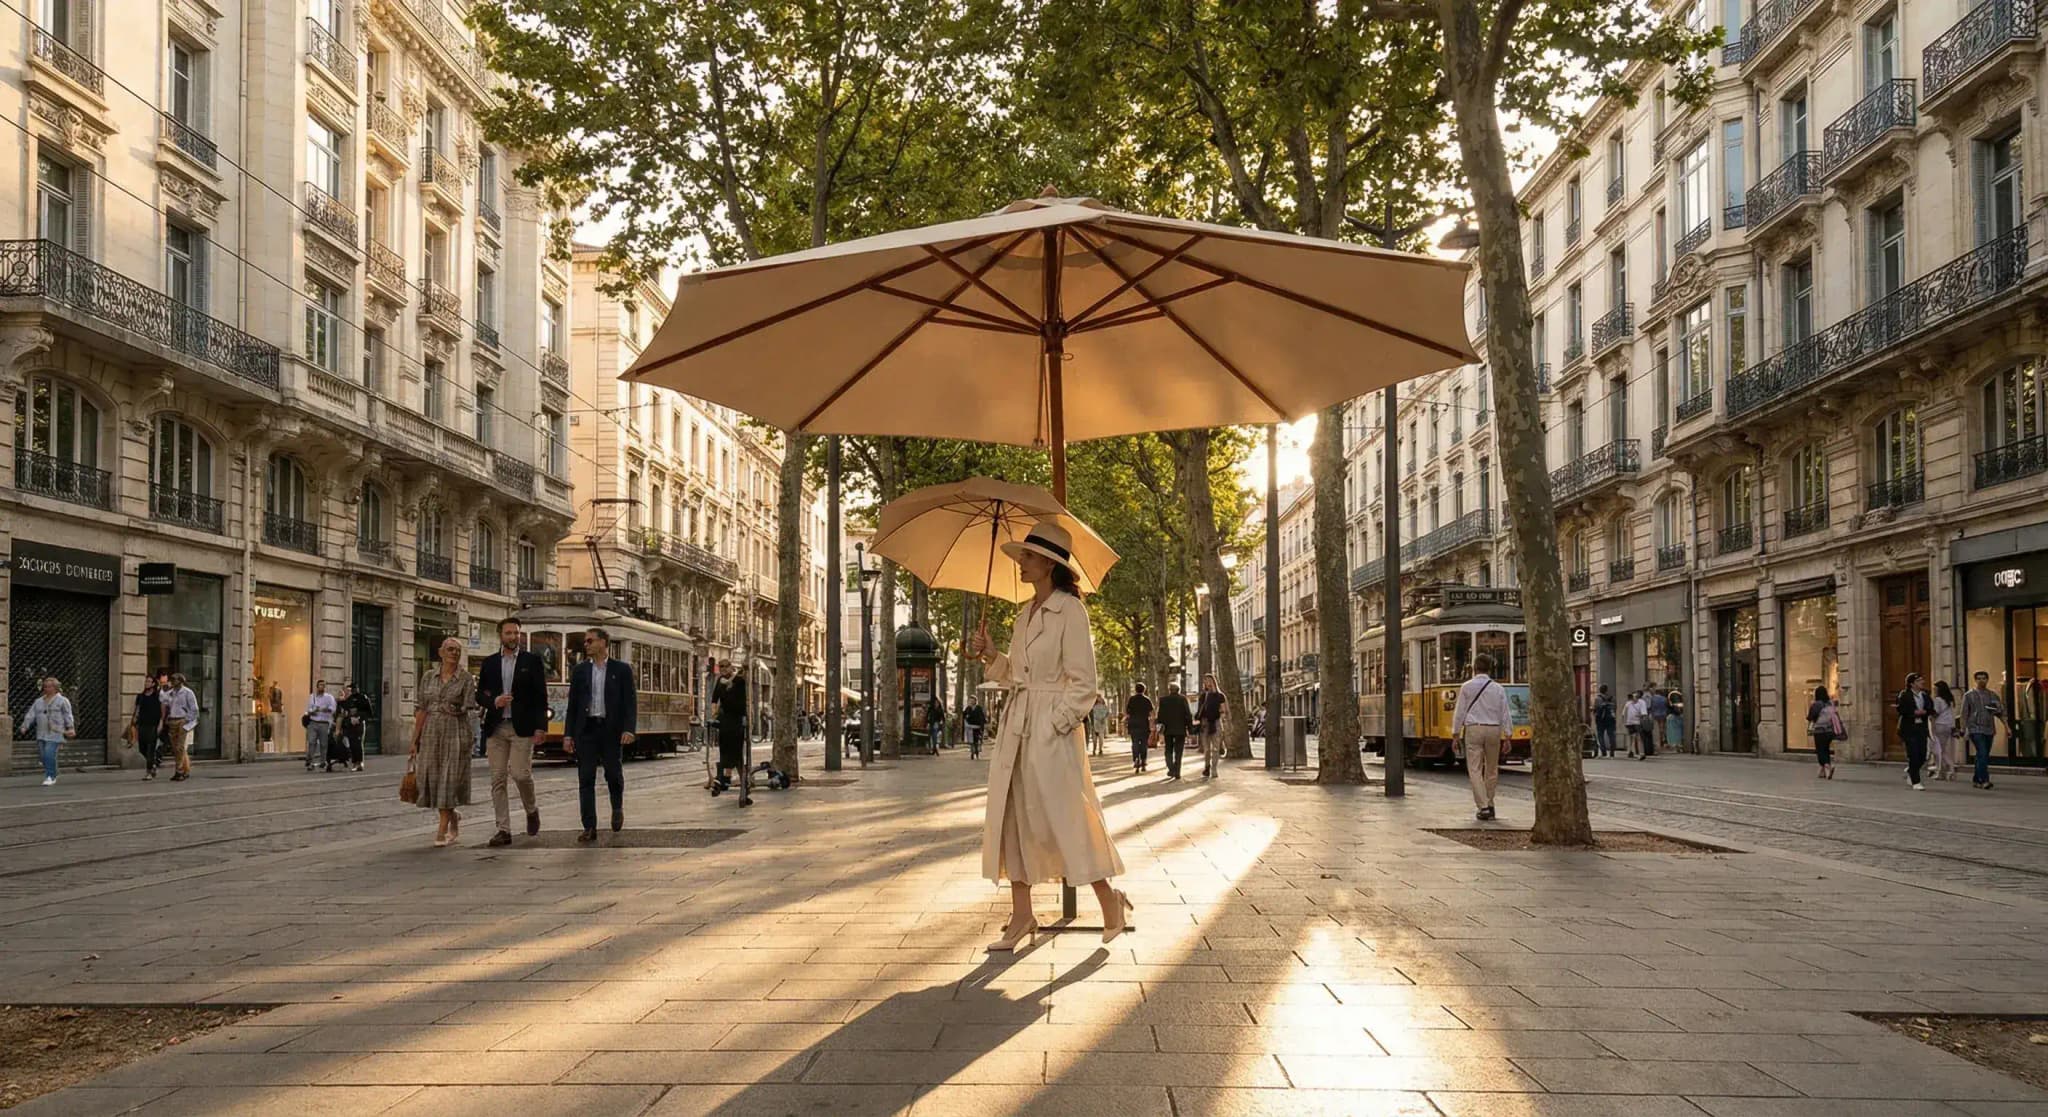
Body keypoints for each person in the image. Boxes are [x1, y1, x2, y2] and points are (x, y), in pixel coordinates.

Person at [965, 520, 1131, 949]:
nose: (1022, 563)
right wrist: (992, 655)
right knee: (1013, 820)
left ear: (1051, 563)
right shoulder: (1025, 614)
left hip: (1049, 732)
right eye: (1022, 556)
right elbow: (1017, 676)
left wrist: (1055, 725)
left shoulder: (1070, 611)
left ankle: (1109, 900)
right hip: (1017, 726)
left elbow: (1085, 684)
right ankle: (1022, 916)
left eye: (1029, 556)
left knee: (1067, 817)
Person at [476, 618, 548, 847]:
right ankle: (503, 829)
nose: (513, 637)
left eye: (516, 633)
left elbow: (540, 696)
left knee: (520, 774)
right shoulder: (489, 663)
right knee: (497, 779)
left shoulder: (532, 661)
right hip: (496, 727)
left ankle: (531, 810)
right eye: (509, 633)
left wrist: (540, 727)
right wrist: (493, 701)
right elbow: (480, 695)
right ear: (501, 635)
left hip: (522, 728)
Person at [565, 627, 638, 840]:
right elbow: (573, 705)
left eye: (590, 641)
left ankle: (617, 808)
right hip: (586, 729)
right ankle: (589, 826)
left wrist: (628, 729)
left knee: (613, 774)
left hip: (610, 730)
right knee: (585, 777)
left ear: (603, 643)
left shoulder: (621, 670)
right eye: (585, 642)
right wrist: (568, 734)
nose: (586, 644)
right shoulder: (580, 671)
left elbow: (629, 703)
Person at [412, 636, 474, 847]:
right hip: (431, 733)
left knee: (449, 779)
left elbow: (469, 708)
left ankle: (441, 829)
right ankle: (453, 816)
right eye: (450, 649)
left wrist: (457, 710)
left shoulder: (465, 679)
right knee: (435, 778)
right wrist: (414, 741)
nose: (453, 653)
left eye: (457, 650)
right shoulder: (428, 677)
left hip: (455, 731)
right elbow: (421, 708)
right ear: (440, 652)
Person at [1451, 653, 1509, 821]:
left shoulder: (1466, 687)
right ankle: (1490, 803)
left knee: (1475, 768)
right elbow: (1504, 712)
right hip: (1493, 729)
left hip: (1474, 729)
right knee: (1492, 769)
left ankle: (1483, 806)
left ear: (1474, 668)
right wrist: (1508, 736)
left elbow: (1460, 711)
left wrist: (1455, 734)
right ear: (1490, 669)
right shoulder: (1498, 688)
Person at [21, 677, 76, 786]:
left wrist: (70, 727)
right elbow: (31, 714)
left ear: (56, 688)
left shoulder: (62, 701)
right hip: (41, 732)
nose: (47, 688)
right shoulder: (39, 701)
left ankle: (50, 776)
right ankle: (54, 772)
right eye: (45, 686)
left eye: (49, 686)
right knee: (43, 755)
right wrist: (25, 726)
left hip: (55, 732)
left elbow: (67, 715)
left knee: (49, 754)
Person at [1963, 671, 2006, 790]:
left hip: (1989, 728)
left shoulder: (1992, 695)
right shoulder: (1969, 695)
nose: (1981, 681)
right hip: (1975, 728)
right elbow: (1964, 714)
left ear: (1987, 680)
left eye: (1984, 678)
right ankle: (1984, 780)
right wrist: (1964, 729)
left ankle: (1976, 779)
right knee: (1982, 753)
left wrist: (2007, 727)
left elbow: (2000, 712)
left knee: (1983, 755)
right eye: (1979, 679)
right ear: (1975, 680)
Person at [710, 662, 746, 796]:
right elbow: (714, 699)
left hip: (736, 720)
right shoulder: (720, 681)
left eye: (725, 666)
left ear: (731, 667)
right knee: (724, 749)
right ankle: (724, 778)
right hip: (724, 720)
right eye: (721, 667)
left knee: (736, 751)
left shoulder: (739, 681)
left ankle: (738, 779)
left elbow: (743, 703)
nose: (723, 669)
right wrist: (714, 713)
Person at [1897, 672, 1932, 790]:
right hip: (1909, 728)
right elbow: (1901, 709)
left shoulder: (1925, 695)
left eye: (1922, 680)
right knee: (1913, 754)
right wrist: (1913, 713)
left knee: (1922, 755)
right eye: (1918, 681)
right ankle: (1916, 781)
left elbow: (1930, 708)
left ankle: (1911, 771)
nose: (1922, 682)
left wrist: (1925, 712)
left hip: (1921, 727)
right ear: (1912, 684)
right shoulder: (1905, 695)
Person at [162, 673, 199, 782]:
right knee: (175, 748)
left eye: (174, 680)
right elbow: (163, 701)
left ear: (181, 681)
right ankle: (184, 769)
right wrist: (164, 689)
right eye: (172, 679)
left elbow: (194, 709)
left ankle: (179, 771)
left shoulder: (188, 692)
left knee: (180, 747)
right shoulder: (170, 693)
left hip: (182, 720)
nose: (172, 681)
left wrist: (187, 721)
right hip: (172, 720)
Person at [130, 673, 165, 780]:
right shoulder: (140, 696)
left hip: (153, 724)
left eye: (149, 681)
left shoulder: (158, 695)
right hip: (142, 724)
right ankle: (153, 764)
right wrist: (134, 720)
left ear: (153, 683)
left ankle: (149, 771)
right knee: (142, 748)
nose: (146, 683)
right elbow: (137, 709)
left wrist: (161, 722)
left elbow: (163, 710)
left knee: (150, 748)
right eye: (146, 681)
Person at [1157, 681, 1193, 781]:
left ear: (1169, 690)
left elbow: (1160, 716)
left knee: (1168, 750)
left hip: (1168, 729)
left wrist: (1160, 727)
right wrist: (1190, 728)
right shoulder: (1183, 699)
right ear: (1178, 690)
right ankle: (1177, 772)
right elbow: (1188, 714)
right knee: (1179, 751)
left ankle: (1171, 768)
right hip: (1180, 729)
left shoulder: (1163, 700)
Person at [1806, 685, 1841, 779]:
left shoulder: (1816, 704)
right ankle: (1823, 771)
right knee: (1826, 749)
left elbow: (1810, 717)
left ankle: (1827, 766)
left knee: (1820, 750)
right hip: (1830, 731)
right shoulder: (1830, 703)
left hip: (1819, 731)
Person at [336, 682, 373, 772]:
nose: (353, 690)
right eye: (352, 689)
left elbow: (369, 712)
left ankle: (359, 762)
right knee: (352, 743)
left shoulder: (363, 698)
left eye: (354, 688)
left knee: (358, 743)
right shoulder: (350, 699)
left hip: (359, 723)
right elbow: (345, 708)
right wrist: (339, 701)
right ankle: (354, 762)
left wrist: (359, 719)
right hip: (351, 723)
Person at [1197, 673, 1227, 780]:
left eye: (1209, 681)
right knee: (1206, 749)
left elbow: (1224, 710)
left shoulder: (1220, 696)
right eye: (1205, 681)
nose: (1207, 683)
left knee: (1215, 748)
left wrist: (1221, 717)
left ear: (1214, 682)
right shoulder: (1203, 696)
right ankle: (1207, 767)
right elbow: (1199, 710)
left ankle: (1214, 768)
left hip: (1216, 722)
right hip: (1205, 723)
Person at [305, 681, 338, 772]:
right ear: (317, 687)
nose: (322, 687)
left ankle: (323, 762)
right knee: (312, 742)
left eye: (323, 686)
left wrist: (324, 709)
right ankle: (310, 762)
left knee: (324, 744)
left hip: (324, 723)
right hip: (313, 722)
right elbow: (309, 710)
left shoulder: (329, 697)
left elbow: (333, 709)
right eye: (320, 686)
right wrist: (313, 711)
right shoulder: (312, 697)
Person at [1930, 680, 1958, 782]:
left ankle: (1947, 770)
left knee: (1938, 750)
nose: (1934, 690)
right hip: (1948, 725)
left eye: (1935, 689)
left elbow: (1935, 714)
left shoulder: (1938, 700)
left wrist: (1932, 726)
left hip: (1940, 725)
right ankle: (1945, 770)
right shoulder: (1949, 700)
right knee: (1942, 748)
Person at [1124, 683, 1154, 774]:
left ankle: (1136, 758)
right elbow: (1152, 712)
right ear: (1144, 690)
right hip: (1144, 724)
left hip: (1133, 724)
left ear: (1136, 690)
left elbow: (1128, 713)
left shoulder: (1131, 699)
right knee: (1144, 743)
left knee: (1135, 742)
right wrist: (1151, 724)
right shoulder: (1147, 700)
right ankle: (1144, 761)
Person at [1592, 685, 1617, 758]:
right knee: (1611, 735)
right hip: (1610, 719)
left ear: (1600, 690)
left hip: (1600, 719)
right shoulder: (1612, 698)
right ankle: (1612, 751)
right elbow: (1615, 708)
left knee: (1600, 735)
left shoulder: (1597, 698)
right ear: (1607, 690)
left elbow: (1595, 708)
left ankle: (1604, 751)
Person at [1622, 691, 1647, 759]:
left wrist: (1641, 717)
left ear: (1637, 698)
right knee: (1630, 737)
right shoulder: (1628, 703)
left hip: (1637, 722)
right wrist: (1625, 722)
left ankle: (1641, 753)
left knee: (1639, 737)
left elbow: (1644, 714)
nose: (1632, 699)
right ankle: (1630, 751)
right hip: (1629, 722)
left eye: (1634, 697)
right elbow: (1624, 713)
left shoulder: (1641, 702)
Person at [1645, 687, 1669, 755]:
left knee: (1656, 730)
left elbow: (1650, 706)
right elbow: (1667, 705)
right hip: (1663, 715)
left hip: (1655, 715)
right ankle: (1663, 740)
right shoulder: (1664, 698)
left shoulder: (1653, 698)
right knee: (1662, 728)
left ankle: (1659, 743)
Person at [1666, 687, 1687, 752]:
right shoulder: (1680, 703)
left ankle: (1675, 746)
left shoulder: (1670, 699)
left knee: (1673, 732)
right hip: (1679, 717)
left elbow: (1669, 707)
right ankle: (1679, 745)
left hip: (1672, 717)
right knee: (1678, 732)